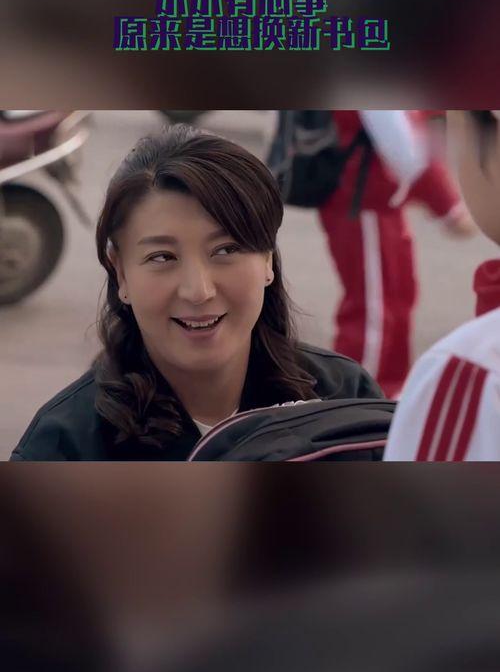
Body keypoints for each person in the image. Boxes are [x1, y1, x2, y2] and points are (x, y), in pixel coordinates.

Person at [11, 125, 382, 462]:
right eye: (162, 257)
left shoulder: (345, 399)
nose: (199, 291)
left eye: (226, 249)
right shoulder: (66, 447)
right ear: (120, 272)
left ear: (268, 258)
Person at [318, 110, 475, 399]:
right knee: (374, 310)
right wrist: (448, 207)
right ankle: (352, 399)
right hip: (364, 199)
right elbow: (406, 148)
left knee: (395, 298)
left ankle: (386, 391)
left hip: (375, 198)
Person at [384, 110, 500, 461]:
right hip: (372, 200)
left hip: (369, 200)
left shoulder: (475, 372)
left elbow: (403, 144)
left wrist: (445, 204)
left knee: (377, 307)